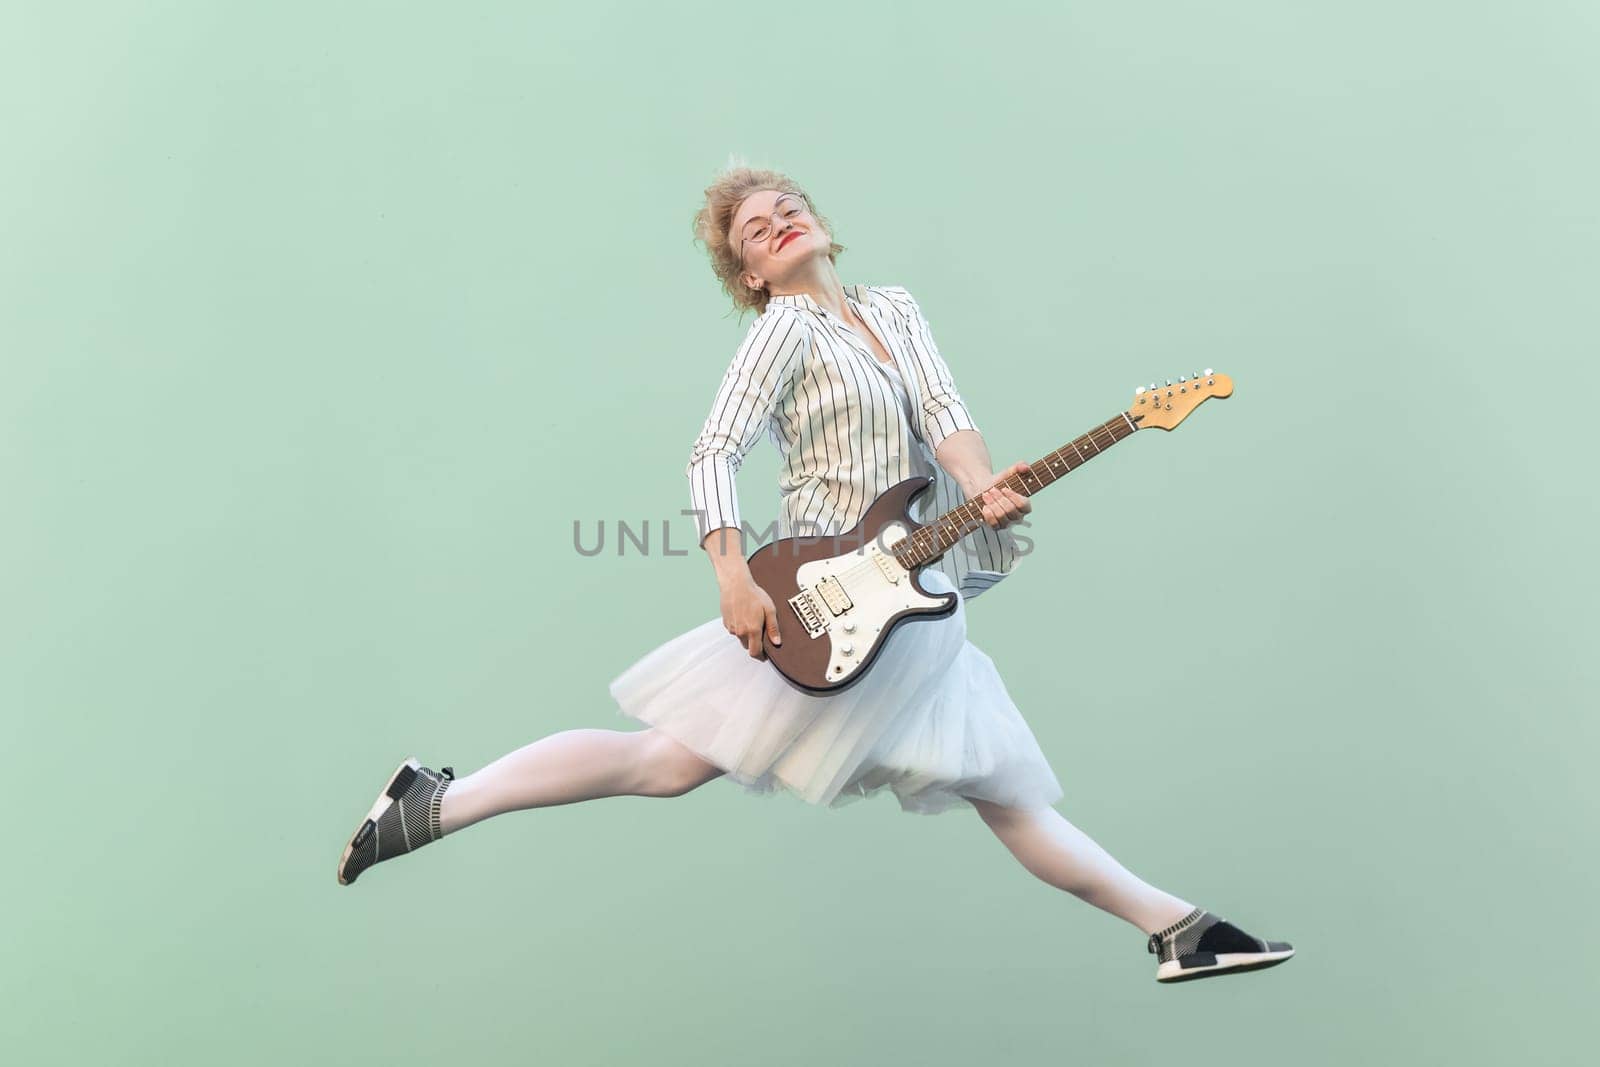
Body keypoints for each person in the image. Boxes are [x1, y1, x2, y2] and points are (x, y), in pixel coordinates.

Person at [334, 165, 1294, 984]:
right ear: (749, 274)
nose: (780, 217)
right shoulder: (782, 329)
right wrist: (731, 578)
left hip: (912, 603)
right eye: (756, 227)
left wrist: (981, 485)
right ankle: (433, 804)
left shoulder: (894, 308)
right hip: (823, 596)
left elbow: (944, 412)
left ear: (824, 223)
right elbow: (713, 454)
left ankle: (1179, 930)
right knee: (668, 762)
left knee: (993, 789)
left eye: (789, 202)